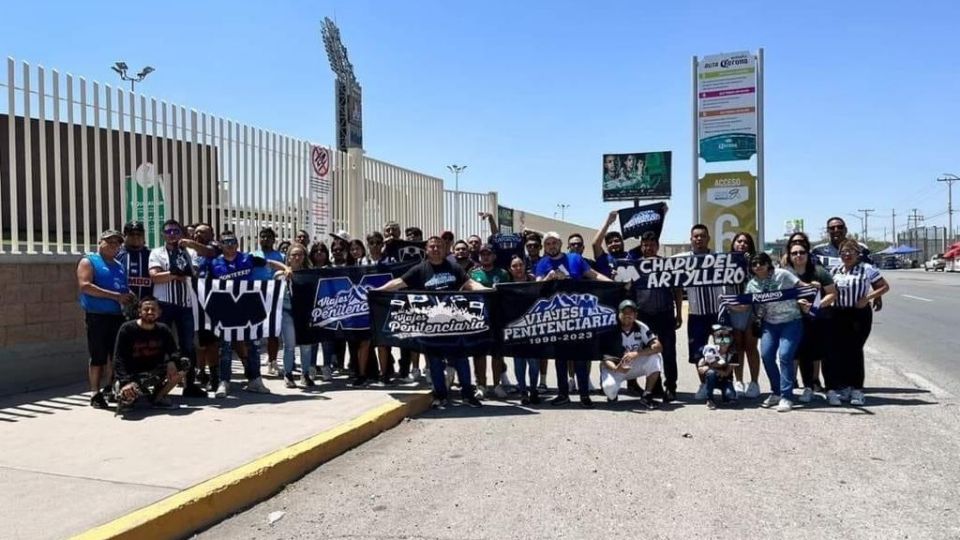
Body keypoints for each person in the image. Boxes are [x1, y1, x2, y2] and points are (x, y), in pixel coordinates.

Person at [376, 236, 487, 409]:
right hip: (431, 325)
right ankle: (440, 395)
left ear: (444, 249)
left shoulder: (453, 267)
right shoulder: (420, 269)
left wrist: (488, 290)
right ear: (427, 250)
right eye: (432, 246)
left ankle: (468, 394)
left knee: (461, 359)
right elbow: (399, 282)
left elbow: (470, 284)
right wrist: (379, 290)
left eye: (439, 247)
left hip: (453, 324)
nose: (436, 249)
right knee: (434, 361)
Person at [535, 231, 612, 408]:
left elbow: (593, 274)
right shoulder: (542, 263)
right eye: (548, 244)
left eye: (554, 243)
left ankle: (584, 394)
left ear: (561, 244)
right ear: (545, 247)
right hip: (556, 318)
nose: (551, 246)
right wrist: (549, 278)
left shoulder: (575, 259)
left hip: (578, 317)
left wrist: (614, 284)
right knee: (560, 358)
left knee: (580, 357)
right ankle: (563, 394)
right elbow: (537, 287)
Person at [210, 230, 291, 398]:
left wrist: (285, 268)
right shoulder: (214, 263)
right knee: (225, 347)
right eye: (226, 242)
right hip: (226, 309)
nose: (230, 245)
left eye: (232, 242)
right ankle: (224, 382)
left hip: (247, 307)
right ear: (221, 245)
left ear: (237, 244)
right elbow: (204, 284)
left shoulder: (247, 258)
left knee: (253, 345)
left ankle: (255, 380)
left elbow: (269, 263)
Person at [737, 252, 806, 412]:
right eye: (754, 264)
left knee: (785, 356)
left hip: (791, 321)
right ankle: (776, 391)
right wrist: (728, 304)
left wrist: (812, 292)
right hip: (770, 323)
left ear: (768, 263)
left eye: (761, 262)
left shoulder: (782, 274)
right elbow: (745, 306)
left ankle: (787, 396)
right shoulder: (752, 284)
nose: (758, 266)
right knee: (767, 355)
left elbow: (802, 287)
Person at [827, 239, 890, 406]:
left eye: (851, 252)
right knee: (840, 351)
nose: (847, 255)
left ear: (858, 254)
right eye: (843, 252)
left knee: (855, 350)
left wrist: (868, 297)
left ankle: (857, 389)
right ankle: (844, 387)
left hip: (859, 314)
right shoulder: (835, 270)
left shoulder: (867, 269)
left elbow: (884, 287)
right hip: (839, 313)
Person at [148, 219, 207, 398]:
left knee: (187, 346)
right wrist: (176, 274)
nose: (172, 235)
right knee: (161, 345)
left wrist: (177, 273)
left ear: (181, 233)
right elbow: (155, 277)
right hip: (164, 304)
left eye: (175, 231)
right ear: (163, 234)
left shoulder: (189, 252)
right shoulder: (156, 253)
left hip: (185, 305)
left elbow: (193, 272)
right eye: (168, 231)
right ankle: (160, 385)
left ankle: (189, 384)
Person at [77, 229, 135, 408]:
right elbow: (85, 286)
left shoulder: (118, 264)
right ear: (100, 242)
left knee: (115, 356)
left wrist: (129, 296)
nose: (113, 245)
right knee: (98, 356)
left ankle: (109, 388)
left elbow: (122, 288)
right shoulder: (89, 261)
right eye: (109, 241)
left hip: (117, 316)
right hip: (97, 316)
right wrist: (115, 296)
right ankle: (95, 393)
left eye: (117, 243)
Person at [782, 232, 838, 403]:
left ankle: (831, 390)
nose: (798, 256)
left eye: (801, 252)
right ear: (789, 256)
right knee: (804, 354)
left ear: (807, 254)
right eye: (794, 253)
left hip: (820, 319)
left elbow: (832, 294)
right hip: (796, 320)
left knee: (824, 354)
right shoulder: (785, 274)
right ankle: (808, 387)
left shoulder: (819, 272)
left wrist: (817, 305)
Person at [630, 232, 683, 402]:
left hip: (665, 313)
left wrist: (679, 313)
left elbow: (677, 290)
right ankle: (655, 386)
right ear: (641, 246)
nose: (648, 247)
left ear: (657, 246)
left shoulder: (667, 265)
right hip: (644, 315)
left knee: (669, 353)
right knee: (649, 353)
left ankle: (671, 386)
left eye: (652, 244)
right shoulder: (634, 266)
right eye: (645, 244)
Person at [113, 296, 188, 413]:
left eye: (153, 309)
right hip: (132, 374)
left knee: (183, 364)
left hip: (154, 372)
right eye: (146, 309)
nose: (150, 312)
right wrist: (124, 381)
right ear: (139, 311)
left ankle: (157, 399)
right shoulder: (127, 329)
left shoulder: (163, 329)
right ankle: (123, 391)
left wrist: (172, 361)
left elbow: (174, 351)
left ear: (159, 312)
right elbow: (119, 359)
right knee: (128, 404)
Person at [678, 224, 725, 401]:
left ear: (708, 239)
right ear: (691, 239)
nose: (699, 239)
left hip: (717, 313)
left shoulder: (720, 259)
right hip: (696, 314)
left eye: (702, 236)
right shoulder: (682, 261)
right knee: (698, 353)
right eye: (696, 236)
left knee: (724, 350)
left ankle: (726, 385)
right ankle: (704, 385)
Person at [600, 300, 663, 409]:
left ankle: (647, 395)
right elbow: (603, 357)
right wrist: (616, 368)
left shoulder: (640, 326)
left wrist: (637, 353)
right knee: (609, 389)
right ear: (619, 314)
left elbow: (658, 346)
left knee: (655, 357)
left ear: (635, 315)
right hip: (614, 366)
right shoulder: (611, 327)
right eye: (624, 312)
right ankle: (611, 394)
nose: (627, 315)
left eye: (631, 312)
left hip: (633, 364)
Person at [812, 217, 881, 311]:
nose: (836, 230)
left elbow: (872, 274)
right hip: (828, 304)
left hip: (856, 305)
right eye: (832, 228)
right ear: (827, 231)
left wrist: (877, 296)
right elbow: (813, 274)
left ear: (845, 229)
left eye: (839, 227)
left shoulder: (861, 248)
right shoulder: (817, 251)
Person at [469, 244, 511, 399]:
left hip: (498, 318)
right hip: (478, 320)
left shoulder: (503, 273)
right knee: (479, 354)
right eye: (482, 254)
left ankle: (497, 385)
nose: (485, 256)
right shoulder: (473, 273)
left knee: (497, 354)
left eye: (488, 254)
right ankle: (481, 385)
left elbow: (509, 294)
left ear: (494, 256)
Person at [725, 232, 761, 399]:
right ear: (733, 244)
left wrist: (751, 263)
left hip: (751, 310)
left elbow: (763, 281)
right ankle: (738, 381)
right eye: (739, 241)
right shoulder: (725, 262)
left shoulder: (755, 262)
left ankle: (754, 382)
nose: (742, 244)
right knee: (736, 347)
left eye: (746, 242)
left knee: (751, 347)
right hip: (732, 309)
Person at [276, 244, 316, 389]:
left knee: (306, 346)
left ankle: (305, 374)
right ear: (288, 257)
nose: (297, 257)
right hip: (287, 312)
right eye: (293, 255)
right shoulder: (280, 275)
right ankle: (288, 374)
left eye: (300, 254)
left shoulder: (309, 274)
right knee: (289, 346)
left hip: (305, 313)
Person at [507, 255, 541, 405]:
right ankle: (523, 391)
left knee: (534, 363)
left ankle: (533, 390)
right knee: (519, 363)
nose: (518, 268)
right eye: (514, 266)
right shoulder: (506, 285)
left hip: (533, 328)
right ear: (510, 269)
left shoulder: (534, 282)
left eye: (520, 265)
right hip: (516, 329)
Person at [252, 227, 285, 376]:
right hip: (255, 296)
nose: (265, 239)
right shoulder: (252, 255)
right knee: (254, 331)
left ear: (273, 239)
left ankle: (273, 362)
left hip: (274, 296)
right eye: (262, 236)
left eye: (268, 237)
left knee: (273, 331)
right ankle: (254, 364)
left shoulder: (281, 256)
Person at [697, 325, 738, 410]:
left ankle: (726, 393)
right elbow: (700, 365)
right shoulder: (710, 350)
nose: (723, 342)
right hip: (712, 378)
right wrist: (702, 366)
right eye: (719, 339)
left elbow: (726, 373)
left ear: (731, 340)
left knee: (730, 396)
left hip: (726, 380)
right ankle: (710, 399)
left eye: (726, 339)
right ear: (715, 340)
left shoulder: (733, 354)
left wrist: (710, 367)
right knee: (710, 373)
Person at [116, 221, 153, 309]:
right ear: (124, 236)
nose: (135, 237)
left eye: (139, 234)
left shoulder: (152, 255)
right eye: (132, 234)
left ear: (144, 236)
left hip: (146, 309)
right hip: (120, 308)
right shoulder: (116, 255)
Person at [591, 210, 633, 278]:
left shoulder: (630, 256)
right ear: (607, 246)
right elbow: (595, 244)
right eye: (610, 242)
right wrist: (608, 223)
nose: (613, 244)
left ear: (622, 242)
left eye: (616, 241)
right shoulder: (604, 258)